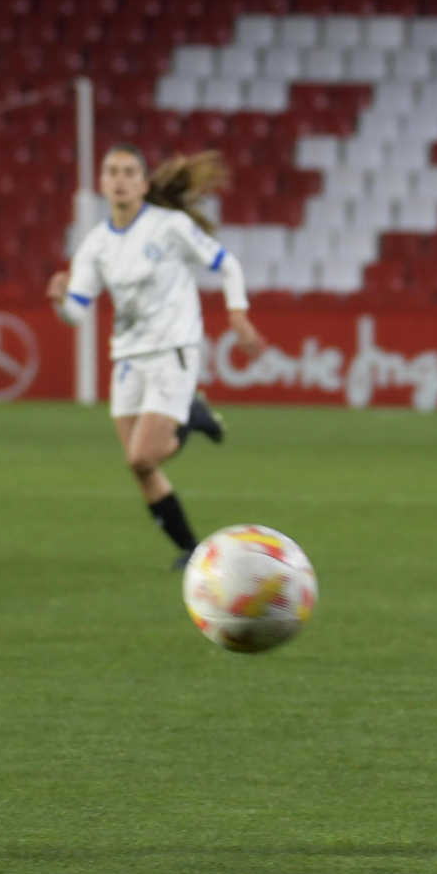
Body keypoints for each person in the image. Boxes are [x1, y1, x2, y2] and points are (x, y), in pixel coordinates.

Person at [47, 146, 264, 569]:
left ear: (144, 184)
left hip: (172, 350)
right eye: (113, 171)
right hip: (127, 357)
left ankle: (191, 415)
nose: (121, 179)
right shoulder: (95, 245)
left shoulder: (171, 227)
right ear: (102, 183)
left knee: (142, 456)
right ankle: (190, 550)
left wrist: (238, 317)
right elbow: (76, 312)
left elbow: (228, 264)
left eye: (130, 172)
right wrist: (59, 301)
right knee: (141, 468)